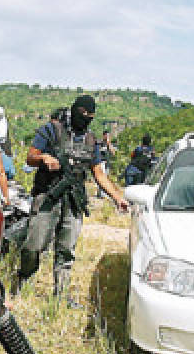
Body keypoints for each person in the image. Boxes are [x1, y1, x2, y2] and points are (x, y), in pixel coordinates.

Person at [15, 95, 128, 303]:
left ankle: (61, 296)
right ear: (75, 110)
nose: (86, 119)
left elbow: (99, 174)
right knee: (34, 245)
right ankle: (23, 281)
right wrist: (44, 158)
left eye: (90, 116)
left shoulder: (91, 140)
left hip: (74, 200)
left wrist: (117, 197)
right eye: (83, 114)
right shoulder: (51, 130)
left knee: (66, 251)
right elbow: (30, 156)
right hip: (48, 195)